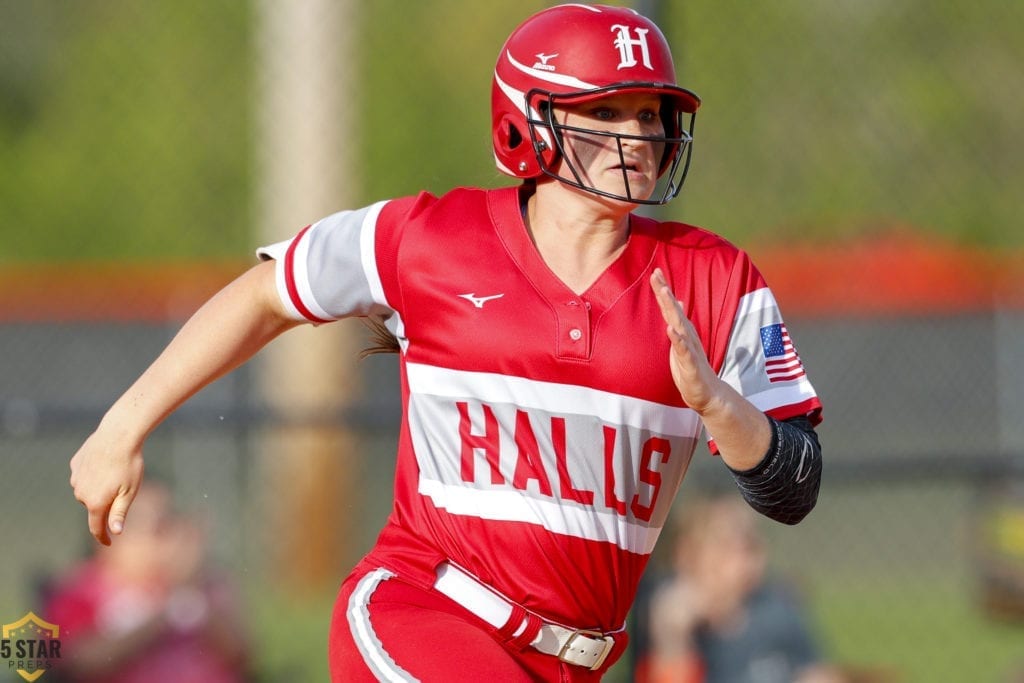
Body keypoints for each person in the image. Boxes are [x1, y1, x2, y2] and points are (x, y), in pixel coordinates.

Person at [68, 4, 823, 681]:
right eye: (607, 112)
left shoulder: (714, 278)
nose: (639, 137)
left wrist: (723, 409)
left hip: (574, 660)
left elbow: (795, 489)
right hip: (424, 611)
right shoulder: (428, 239)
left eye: (650, 113)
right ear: (525, 123)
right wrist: (122, 425)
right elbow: (268, 294)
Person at [45, 482, 250, 683]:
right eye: (159, 529)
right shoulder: (82, 589)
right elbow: (80, 662)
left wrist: (192, 589)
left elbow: (242, 656)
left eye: (174, 522)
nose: (173, 538)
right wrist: (164, 611)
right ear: (111, 534)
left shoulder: (206, 583)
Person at [635, 495, 843, 683]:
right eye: (729, 546)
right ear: (688, 555)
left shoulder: (775, 606)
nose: (749, 560)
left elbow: (814, 672)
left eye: (752, 545)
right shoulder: (666, 613)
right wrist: (673, 637)